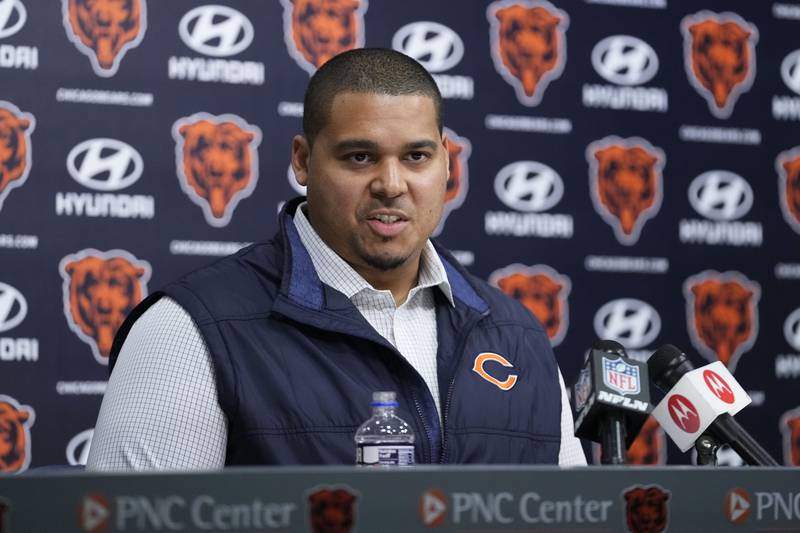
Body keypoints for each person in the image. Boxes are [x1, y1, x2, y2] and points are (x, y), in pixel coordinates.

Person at [87, 48, 587, 470]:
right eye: (360, 157)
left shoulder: (518, 335)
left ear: (447, 163)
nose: (391, 185)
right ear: (303, 160)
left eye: (416, 157)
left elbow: (573, 519)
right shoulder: (188, 329)